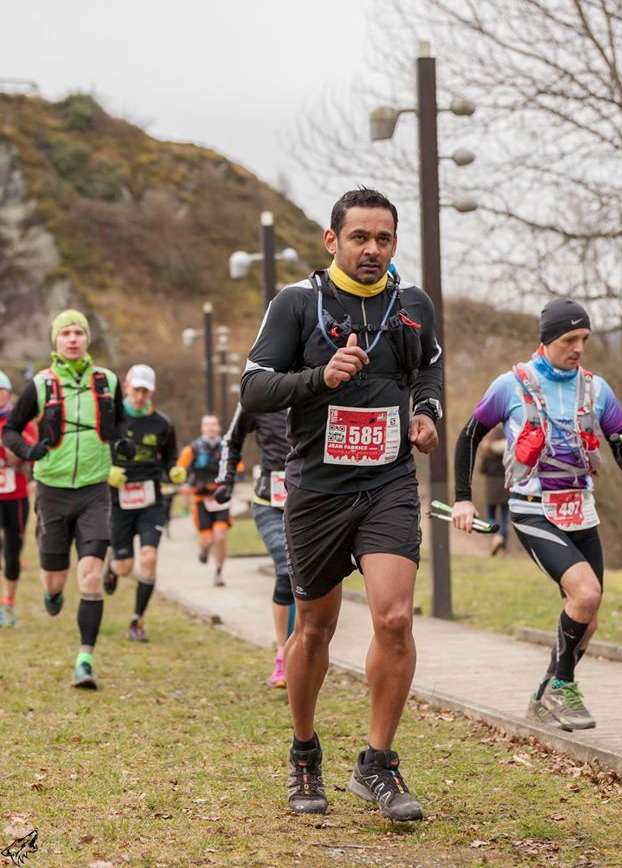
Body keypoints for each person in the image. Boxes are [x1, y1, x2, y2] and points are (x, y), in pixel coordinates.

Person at [240, 186, 443, 821]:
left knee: (394, 619)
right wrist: (317, 379)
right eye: (360, 237)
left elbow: (429, 371)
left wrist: (429, 413)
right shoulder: (297, 304)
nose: (372, 249)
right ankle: (304, 751)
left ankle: (378, 763)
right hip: (318, 488)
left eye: (383, 238)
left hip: (387, 480)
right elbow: (253, 389)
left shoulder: (411, 306)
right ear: (333, 241)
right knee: (315, 628)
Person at [452, 297, 622, 731]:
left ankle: (545, 695)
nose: (578, 347)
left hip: (582, 510)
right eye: (569, 339)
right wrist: (463, 498)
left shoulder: (596, 388)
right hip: (534, 510)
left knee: (587, 619)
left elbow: (618, 437)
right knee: (586, 594)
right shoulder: (512, 385)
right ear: (548, 339)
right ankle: (564, 687)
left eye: (585, 339)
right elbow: (468, 437)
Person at [2, 310, 135, 689]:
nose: (73, 339)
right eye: (66, 333)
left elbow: (122, 421)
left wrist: (122, 440)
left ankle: (85, 660)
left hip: (95, 489)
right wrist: (28, 452)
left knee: (91, 576)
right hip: (52, 489)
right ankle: (51, 593)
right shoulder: (41, 385)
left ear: (86, 339)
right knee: (56, 581)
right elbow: (10, 430)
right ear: (56, 341)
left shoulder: (107, 381)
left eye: (79, 332)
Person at [103, 364, 186, 642]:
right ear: (126, 387)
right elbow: (97, 452)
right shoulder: (112, 420)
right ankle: (112, 565)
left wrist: (174, 470)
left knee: (149, 559)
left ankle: (137, 621)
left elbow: (170, 455)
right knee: (125, 567)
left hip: (152, 499)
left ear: (151, 391)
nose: (139, 395)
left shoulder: (162, 423)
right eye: (136, 389)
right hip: (119, 498)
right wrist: (107, 472)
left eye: (145, 391)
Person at [215, 403, 293, 688]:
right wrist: (226, 480)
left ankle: (305, 650)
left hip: (311, 505)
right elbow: (232, 439)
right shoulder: (260, 394)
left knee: (308, 579)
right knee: (287, 569)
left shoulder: (320, 387)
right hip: (269, 504)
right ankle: (283, 658)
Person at [0, 370, 37, 627]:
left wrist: (17, 454)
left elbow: (33, 449)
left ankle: (9, 605)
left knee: (13, 552)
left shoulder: (21, 420)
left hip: (16, 495)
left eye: (0, 391)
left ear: (8, 393)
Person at [177, 414, 231, 586]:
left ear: (219, 428)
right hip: (201, 499)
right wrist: (185, 484)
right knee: (207, 540)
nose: (211, 428)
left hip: (221, 500)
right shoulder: (193, 448)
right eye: (207, 425)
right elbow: (179, 469)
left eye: (214, 425)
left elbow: (238, 468)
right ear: (202, 429)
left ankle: (219, 573)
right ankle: (204, 550)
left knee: (220, 536)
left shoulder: (227, 448)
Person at [478, 425, 509, 555]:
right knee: (504, 519)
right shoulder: (507, 451)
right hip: (505, 489)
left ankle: (495, 537)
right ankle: (502, 546)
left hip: (491, 490)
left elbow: (482, 470)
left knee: (491, 518)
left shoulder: (487, 452)